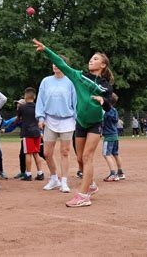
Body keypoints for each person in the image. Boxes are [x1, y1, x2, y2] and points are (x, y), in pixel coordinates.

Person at [33, 39, 113, 208]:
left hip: (95, 123)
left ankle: (83, 195)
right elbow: (61, 64)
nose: (91, 60)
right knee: (79, 158)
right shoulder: (79, 76)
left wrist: (102, 101)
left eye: (96, 59)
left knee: (87, 156)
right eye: (91, 58)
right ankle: (90, 184)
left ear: (103, 65)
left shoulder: (105, 84)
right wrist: (46, 50)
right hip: (81, 122)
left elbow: (109, 99)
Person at [35, 54, 77, 193]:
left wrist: (77, 119)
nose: (55, 65)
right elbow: (40, 100)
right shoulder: (46, 81)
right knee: (47, 153)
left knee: (65, 152)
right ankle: (54, 178)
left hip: (67, 120)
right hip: (50, 119)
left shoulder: (71, 82)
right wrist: (40, 118)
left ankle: (64, 181)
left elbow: (75, 102)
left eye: (58, 63)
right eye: (53, 63)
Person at [17, 87, 44, 181]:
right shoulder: (38, 107)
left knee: (28, 153)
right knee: (36, 153)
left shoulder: (22, 107)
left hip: (27, 132)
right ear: (35, 96)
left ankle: (28, 174)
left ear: (25, 96)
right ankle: (40, 172)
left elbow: (18, 119)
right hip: (37, 132)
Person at [102, 94, 125, 182]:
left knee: (106, 154)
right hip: (115, 135)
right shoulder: (114, 110)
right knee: (116, 154)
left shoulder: (107, 111)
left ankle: (113, 174)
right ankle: (120, 173)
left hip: (109, 136)